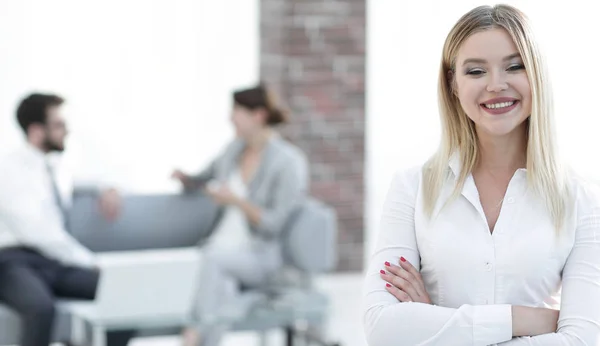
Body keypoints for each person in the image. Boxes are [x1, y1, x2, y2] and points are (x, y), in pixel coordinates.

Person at [363, 4, 600, 345]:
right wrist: (525, 319)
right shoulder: (411, 189)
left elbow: (581, 340)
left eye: (515, 66)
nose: (496, 85)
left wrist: (435, 325)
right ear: (454, 84)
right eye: (475, 71)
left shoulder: (582, 200)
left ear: (537, 74)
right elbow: (382, 327)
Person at [171, 83, 309, 346]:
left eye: (236, 111)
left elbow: (274, 224)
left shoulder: (288, 163)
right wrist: (186, 179)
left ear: (258, 115)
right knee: (222, 288)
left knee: (213, 262)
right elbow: (204, 176)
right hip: (220, 251)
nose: (230, 118)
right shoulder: (233, 149)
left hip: (259, 255)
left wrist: (235, 201)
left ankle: (191, 334)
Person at [0, 93, 136, 346]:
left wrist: (107, 188)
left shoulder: (54, 166)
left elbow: (78, 182)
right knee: (40, 309)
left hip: (52, 262)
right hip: (14, 262)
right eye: (59, 125)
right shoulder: (9, 169)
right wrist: (88, 261)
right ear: (36, 130)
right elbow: (36, 232)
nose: (67, 130)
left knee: (121, 295)